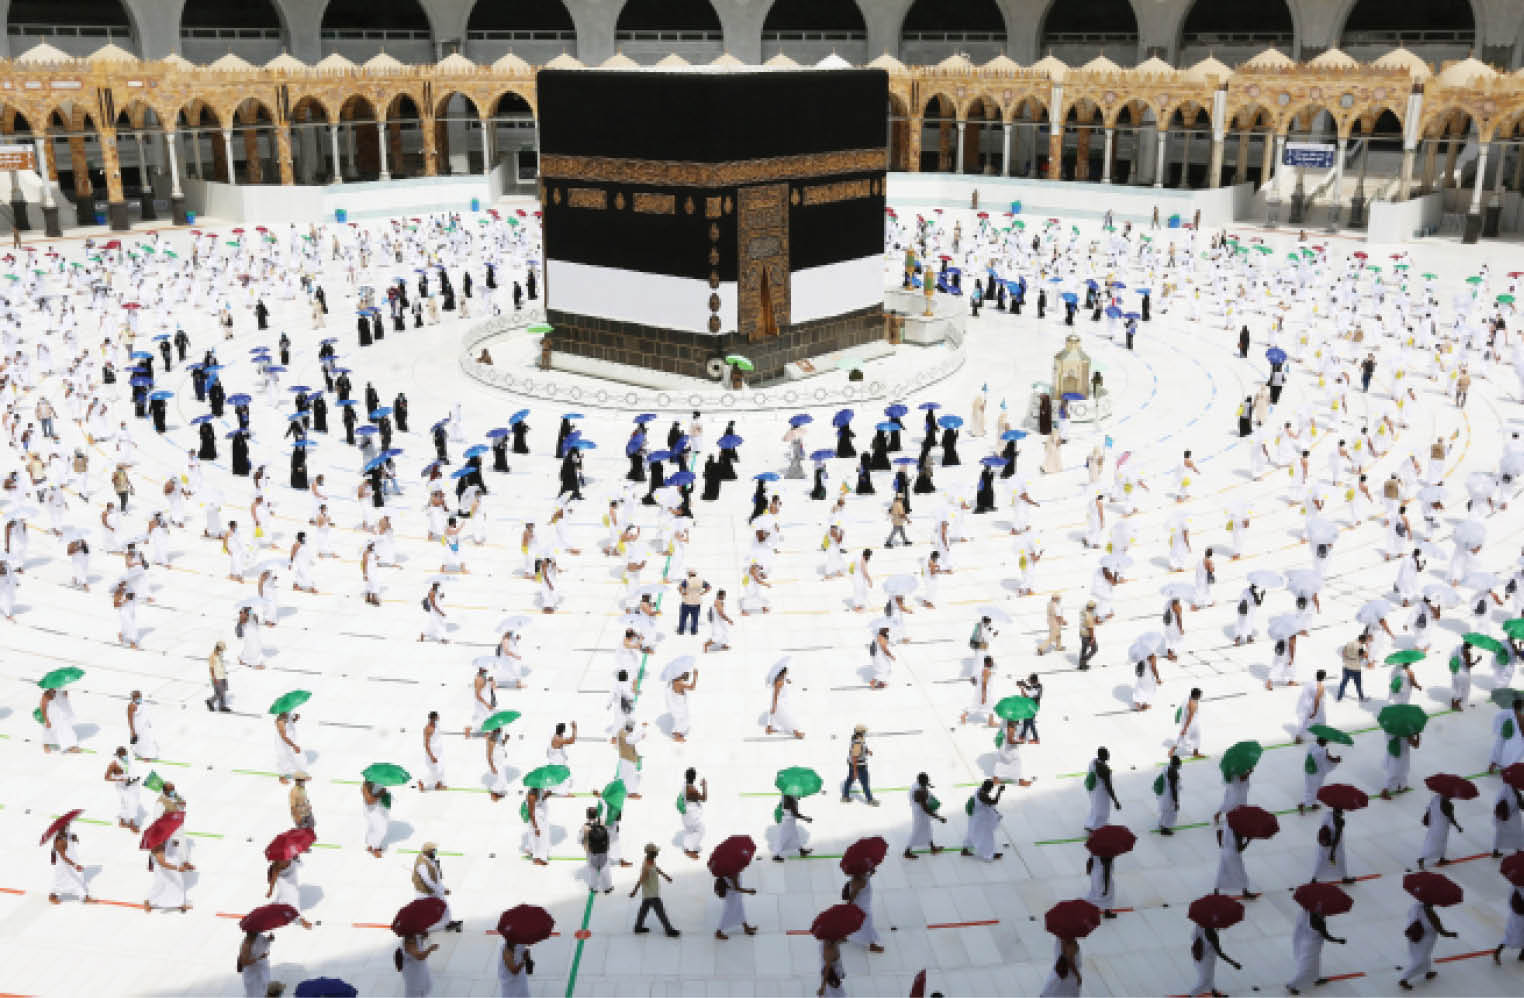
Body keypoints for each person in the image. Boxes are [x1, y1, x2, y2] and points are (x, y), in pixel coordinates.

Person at [1286, 907, 1347, 995]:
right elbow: (1327, 936)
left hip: (1308, 943)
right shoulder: (1319, 922)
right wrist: (1338, 940)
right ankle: (1292, 985)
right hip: (1312, 947)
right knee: (1307, 969)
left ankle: (1316, 978)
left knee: (1315, 963)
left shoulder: (1308, 915)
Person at [1399, 899, 1458, 989]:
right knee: (1421, 958)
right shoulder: (1431, 914)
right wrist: (1451, 934)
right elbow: (1440, 930)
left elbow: (1410, 916)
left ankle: (1427, 971)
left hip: (1413, 935)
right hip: (1425, 940)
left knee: (1421, 955)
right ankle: (1404, 978)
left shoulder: (1415, 906)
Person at [631, 843, 680, 936]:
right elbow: (641, 879)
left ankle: (638, 927)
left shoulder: (651, 860)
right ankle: (669, 930)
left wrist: (665, 875)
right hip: (652, 893)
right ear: (651, 853)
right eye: (655, 852)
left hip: (649, 892)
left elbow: (656, 868)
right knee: (660, 912)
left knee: (644, 910)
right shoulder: (646, 866)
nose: (657, 853)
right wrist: (635, 891)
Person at [962, 779, 1004, 861]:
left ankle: (965, 850)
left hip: (975, 818)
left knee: (971, 833)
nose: (991, 790)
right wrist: (999, 791)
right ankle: (989, 854)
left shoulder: (980, 790)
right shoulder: (982, 795)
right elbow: (993, 802)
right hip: (980, 820)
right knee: (986, 836)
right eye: (991, 788)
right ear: (988, 788)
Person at [713, 869, 757, 939]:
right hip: (732, 896)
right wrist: (749, 891)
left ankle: (746, 927)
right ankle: (718, 932)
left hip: (733, 895)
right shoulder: (734, 873)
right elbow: (736, 888)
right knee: (728, 913)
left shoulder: (728, 869)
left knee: (740, 909)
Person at [1084, 747, 1120, 830]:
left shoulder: (1093, 762)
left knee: (1095, 807)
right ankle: (1097, 827)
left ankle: (1090, 823)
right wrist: (1115, 800)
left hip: (1093, 789)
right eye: (1107, 753)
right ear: (1103, 756)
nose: (1109, 755)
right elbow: (1108, 786)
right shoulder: (1104, 770)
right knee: (1102, 811)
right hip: (1101, 793)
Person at [842, 724, 877, 805]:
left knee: (849, 780)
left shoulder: (859, 739)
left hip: (854, 765)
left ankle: (845, 796)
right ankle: (870, 800)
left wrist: (868, 751)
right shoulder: (857, 743)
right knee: (865, 783)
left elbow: (863, 748)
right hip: (859, 766)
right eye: (864, 732)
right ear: (860, 732)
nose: (865, 733)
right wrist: (855, 771)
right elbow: (855, 757)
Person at [680, 768, 707, 858]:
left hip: (686, 812)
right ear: (694, 777)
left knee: (689, 831)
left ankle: (687, 848)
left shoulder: (685, 786)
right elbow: (704, 798)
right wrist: (704, 786)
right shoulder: (691, 789)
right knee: (701, 830)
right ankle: (690, 850)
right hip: (692, 814)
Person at [237, 931, 272, 998]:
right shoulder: (246, 943)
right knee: (254, 993)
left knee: (265, 990)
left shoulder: (260, 937)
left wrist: (269, 940)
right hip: (253, 974)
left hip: (263, 969)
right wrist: (259, 958)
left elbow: (266, 951)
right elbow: (244, 962)